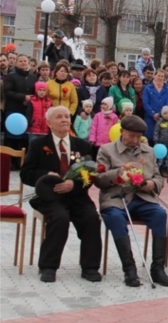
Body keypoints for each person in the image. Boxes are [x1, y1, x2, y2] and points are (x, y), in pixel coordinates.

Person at [20, 106, 102, 283]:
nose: (65, 119)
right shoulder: (38, 145)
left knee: (91, 218)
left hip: (77, 196)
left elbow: (91, 174)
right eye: (59, 117)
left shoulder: (83, 145)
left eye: (66, 116)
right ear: (49, 123)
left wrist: (74, 184)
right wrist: (45, 175)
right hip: (50, 197)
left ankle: (90, 267)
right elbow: (25, 173)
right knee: (60, 218)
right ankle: (49, 267)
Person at [95, 115, 168, 287]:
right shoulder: (106, 150)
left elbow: (158, 178)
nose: (134, 140)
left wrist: (151, 184)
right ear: (121, 132)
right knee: (115, 217)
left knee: (160, 214)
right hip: (116, 198)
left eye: (138, 137)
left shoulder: (149, 151)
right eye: (131, 135)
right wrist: (119, 172)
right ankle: (129, 269)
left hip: (142, 198)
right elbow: (99, 179)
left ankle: (158, 268)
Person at [143, 68, 168, 142]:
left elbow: (167, 103)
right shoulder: (147, 88)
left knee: (160, 138)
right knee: (149, 138)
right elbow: (145, 103)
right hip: (150, 117)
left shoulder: (167, 89)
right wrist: (153, 114)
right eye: (159, 76)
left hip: (162, 117)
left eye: (162, 76)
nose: (160, 78)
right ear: (154, 76)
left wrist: (160, 113)